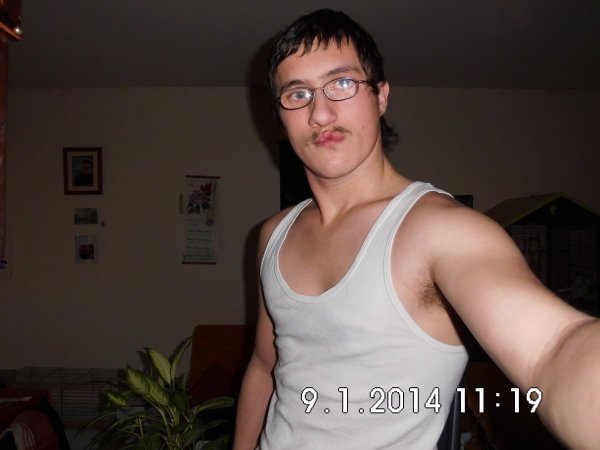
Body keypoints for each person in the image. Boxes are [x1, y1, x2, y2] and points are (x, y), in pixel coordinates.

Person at [233, 9, 599, 450]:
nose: (321, 113)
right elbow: (264, 365)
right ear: (280, 115)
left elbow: (553, 349)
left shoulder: (440, 230)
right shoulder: (273, 235)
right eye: (298, 94)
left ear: (381, 96)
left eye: (342, 83)